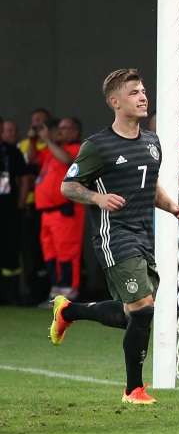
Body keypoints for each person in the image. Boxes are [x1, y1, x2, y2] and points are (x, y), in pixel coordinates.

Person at [49, 69, 179, 406]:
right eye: (133, 93)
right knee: (143, 309)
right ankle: (133, 390)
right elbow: (68, 185)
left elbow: (149, 184)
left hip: (144, 233)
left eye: (143, 91)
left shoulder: (152, 142)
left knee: (133, 312)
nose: (143, 97)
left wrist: (171, 205)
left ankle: (69, 311)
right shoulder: (97, 146)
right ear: (115, 102)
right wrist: (98, 198)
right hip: (114, 234)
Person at [32, 117, 85, 303]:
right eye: (58, 128)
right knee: (51, 254)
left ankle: (69, 291)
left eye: (64, 128)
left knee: (67, 252)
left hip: (65, 211)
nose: (60, 131)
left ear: (75, 131)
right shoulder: (51, 150)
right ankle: (56, 292)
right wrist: (33, 139)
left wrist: (48, 139)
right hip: (47, 212)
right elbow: (31, 158)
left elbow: (67, 160)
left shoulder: (79, 148)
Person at [0, 116, 31, 305]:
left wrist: (20, 203)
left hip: (8, 207)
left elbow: (25, 178)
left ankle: (10, 293)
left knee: (10, 249)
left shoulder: (11, 151)